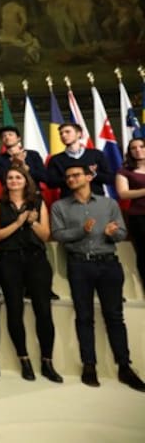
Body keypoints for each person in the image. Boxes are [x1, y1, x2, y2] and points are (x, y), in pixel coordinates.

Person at [51, 163, 145, 392]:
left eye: (76, 175)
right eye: (68, 176)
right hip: (79, 265)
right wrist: (81, 231)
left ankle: (125, 367)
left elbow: (122, 232)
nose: (72, 179)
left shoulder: (108, 204)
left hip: (109, 265)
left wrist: (114, 233)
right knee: (84, 317)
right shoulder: (60, 206)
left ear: (89, 177)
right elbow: (59, 235)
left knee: (114, 316)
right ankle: (89, 365)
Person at [0, 163, 62, 382]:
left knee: (43, 311)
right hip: (9, 260)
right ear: (5, 182)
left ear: (25, 181)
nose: (13, 181)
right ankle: (24, 359)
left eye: (18, 178)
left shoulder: (38, 203)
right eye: (10, 178)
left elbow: (46, 235)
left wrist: (32, 223)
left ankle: (47, 362)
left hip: (36, 259)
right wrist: (18, 222)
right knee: (14, 309)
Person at [47, 123, 113, 199]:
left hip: (96, 200)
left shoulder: (97, 154)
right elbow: (51, 183)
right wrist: (74, 177)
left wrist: (93, 174)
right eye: (61, 133)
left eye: (67, 132)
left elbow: (110, 179)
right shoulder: (55, 159)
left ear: (79, 134)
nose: (63, 135)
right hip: (69, 203)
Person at [115, 137, 145, 285]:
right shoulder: (124, 171)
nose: (138, 150)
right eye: (134, 148)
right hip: (140, 217)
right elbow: (123, 194)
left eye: (141, 146)